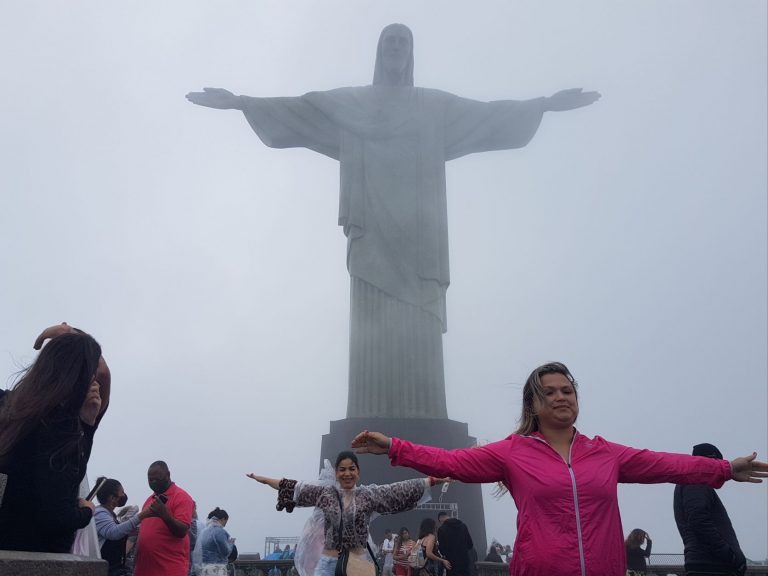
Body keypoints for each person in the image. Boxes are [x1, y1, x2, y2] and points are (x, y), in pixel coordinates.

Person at [186, 25, 601, 421]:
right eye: (390, 40)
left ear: (411, 53)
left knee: (419, 319)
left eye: (404, 40)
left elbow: (487, 116)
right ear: (380, 51)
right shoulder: (352, 105)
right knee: (371, 323)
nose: (397, 46)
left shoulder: (434, 107)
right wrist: (241, 102)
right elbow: (301, 109)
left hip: (420, 238)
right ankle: (369, 415)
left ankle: (425, 416)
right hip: (371, 231)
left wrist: (543, 105)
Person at [351, 362, 768, 576]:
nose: (560, 397)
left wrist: (723, 469)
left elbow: (665, 463)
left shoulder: (605, 453)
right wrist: (396, 446)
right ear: (533, 404)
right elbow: (451, 462)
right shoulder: (513, 453)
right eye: (549, 392)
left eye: (567, 390)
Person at [0, 323, 111, 553]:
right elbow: (57, 517)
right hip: (38, 558)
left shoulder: (10, 407)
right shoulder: (61, 430)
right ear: (82, 379)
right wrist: (87, 510)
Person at [246, 451, 446, 576]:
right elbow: (296, 488)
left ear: (358, 472)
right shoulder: (325, 494)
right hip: (327, 564)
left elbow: (398, 491)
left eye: (351, 469)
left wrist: (431, 481)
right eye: (342, 469)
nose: (347, 473)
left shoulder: (368, 495)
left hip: (357, 565)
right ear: (336, 473)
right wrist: (263, 479)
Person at [674, 443, 747, 576]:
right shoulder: (696, 479)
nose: (720, 471)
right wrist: (729, 555)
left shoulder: (690, 481)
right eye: (718, 465)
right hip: (712, 565)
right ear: (710, 461)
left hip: (706, 562)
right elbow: (698, 520)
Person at [134, 461, 195, 576]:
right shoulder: (149, 500)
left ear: (168, 475)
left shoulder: (181, 497)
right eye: (150, 480)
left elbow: (182, 531)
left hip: (169, 570)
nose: (153, 482)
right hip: (144, 570)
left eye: (157, 479)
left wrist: (165, 515)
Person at [94, 476, 151, 575]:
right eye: (122, 493)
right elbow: (112, 533)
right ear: (112, 498)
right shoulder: (99, 513)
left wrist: (128, 533)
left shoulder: (110, 515)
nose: (124, 495)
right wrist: (141, 516)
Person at [199, 507, 235, 576]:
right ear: (223, 519)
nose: (225, 524)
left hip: (204, 568)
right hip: (217, 569)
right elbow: (225, 552)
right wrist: (231, 544)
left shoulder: (204, 531)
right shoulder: (219, 531)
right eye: (226, 521)